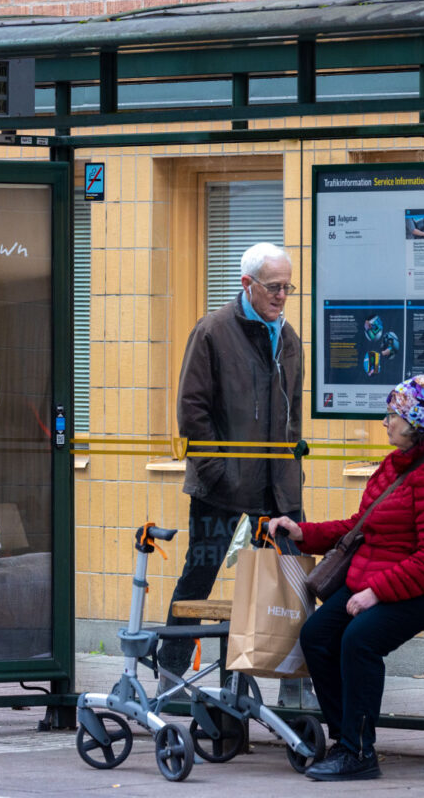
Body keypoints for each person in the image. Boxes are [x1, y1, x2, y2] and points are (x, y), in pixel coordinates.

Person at [269, 374, 424, 781]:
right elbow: (360, 526)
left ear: (418, 421)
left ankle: (358, 752)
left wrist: (375, 593)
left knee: (360, 639)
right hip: (384, 575)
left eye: (393, 415)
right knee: (316, 635)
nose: (385, 422)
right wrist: (303, 532)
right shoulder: (396, 464)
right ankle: (346, 738)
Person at [157, 242, 314, 707]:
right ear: (247, 285)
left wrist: (289, 475)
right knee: (198, 578)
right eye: (274, 287)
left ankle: (292, 684)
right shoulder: (212, 331)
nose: (282, 295)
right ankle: (170, 676)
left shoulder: (289, 339)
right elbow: (193, 412)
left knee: (292, 582)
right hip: (221, 487)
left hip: (278, 487)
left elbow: (293, 414)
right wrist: (220, 472)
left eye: (288, 287)